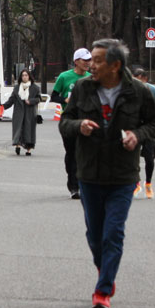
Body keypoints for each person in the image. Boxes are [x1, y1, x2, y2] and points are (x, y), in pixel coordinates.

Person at [59, 39, 155, 308]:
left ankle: (103, 290)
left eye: (97, 60)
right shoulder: (82, 88)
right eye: (90, 59)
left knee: (113, 233)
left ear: (115, 65)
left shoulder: (138, 92)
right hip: (89, 173)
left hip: (122, 176)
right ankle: (104, 268)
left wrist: (136, 136)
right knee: (95, 235)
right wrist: (79, 125)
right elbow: (64, 122)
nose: (90, 65)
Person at [51, 48, 92, 199]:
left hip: (86, 121)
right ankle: (73, 186)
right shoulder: (64, 77)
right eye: (85, 60)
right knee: (72, 154)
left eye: (89, 60)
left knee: (85, 154)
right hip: (68, 121)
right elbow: (54, 96)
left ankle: (83, 185)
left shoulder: (91, 78)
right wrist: (65, 100)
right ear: (76, 61)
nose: (88, 63)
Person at [132, 68, 155, 199]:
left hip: (149, 128)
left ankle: (148, 183)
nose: (136, 81)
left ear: (144, 79)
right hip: (135, 128)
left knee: (149, 158)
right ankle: (136, 184)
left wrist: (154, 111)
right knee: (133, 157)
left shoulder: (154, 91)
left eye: (138, 79)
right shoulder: (130, 90)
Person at [2, 69, 41, 156]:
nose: (24, 77)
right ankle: (18, 145)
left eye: (26, 75)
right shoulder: (17, 88)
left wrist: (30, 101)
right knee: (18, 129)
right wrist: (2, 107)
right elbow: (11, 100)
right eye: (23, 75)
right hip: (18, 112)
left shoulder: (35, 88)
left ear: (29, 76)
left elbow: (39, 99)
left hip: (30, 112)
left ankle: (28, 149)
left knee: (29, 130)